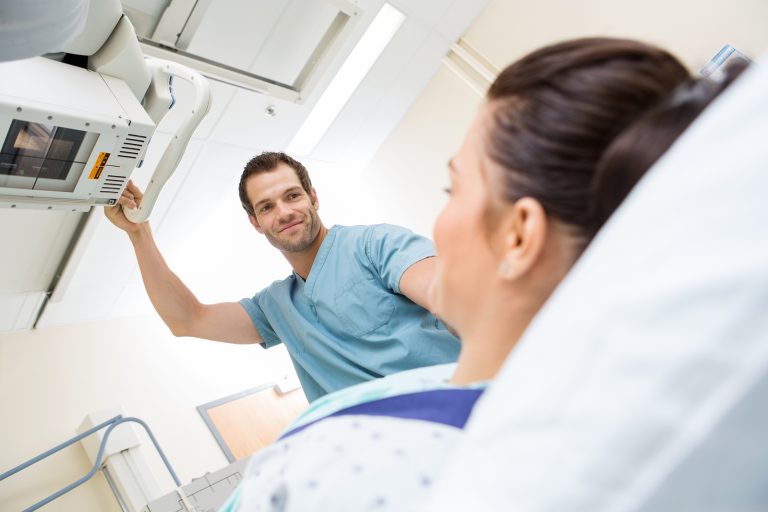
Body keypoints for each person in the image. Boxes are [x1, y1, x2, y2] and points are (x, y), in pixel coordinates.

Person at [219, 37, 743, 512]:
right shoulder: (620, 413)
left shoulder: (314, 465)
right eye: (267, 206)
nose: (436, 228)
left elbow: (431, 288)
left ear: (519, 236)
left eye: (454, 190)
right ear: (255, 221)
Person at [106, 152, 460, 402]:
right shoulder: (277, 308)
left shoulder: (375, 244)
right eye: (267, 207)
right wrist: (139, 233)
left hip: (459, 408)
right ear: (255, 223)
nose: (284, 212)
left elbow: (452, 297)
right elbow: (187, 319)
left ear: (313, 198)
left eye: (292, 196)